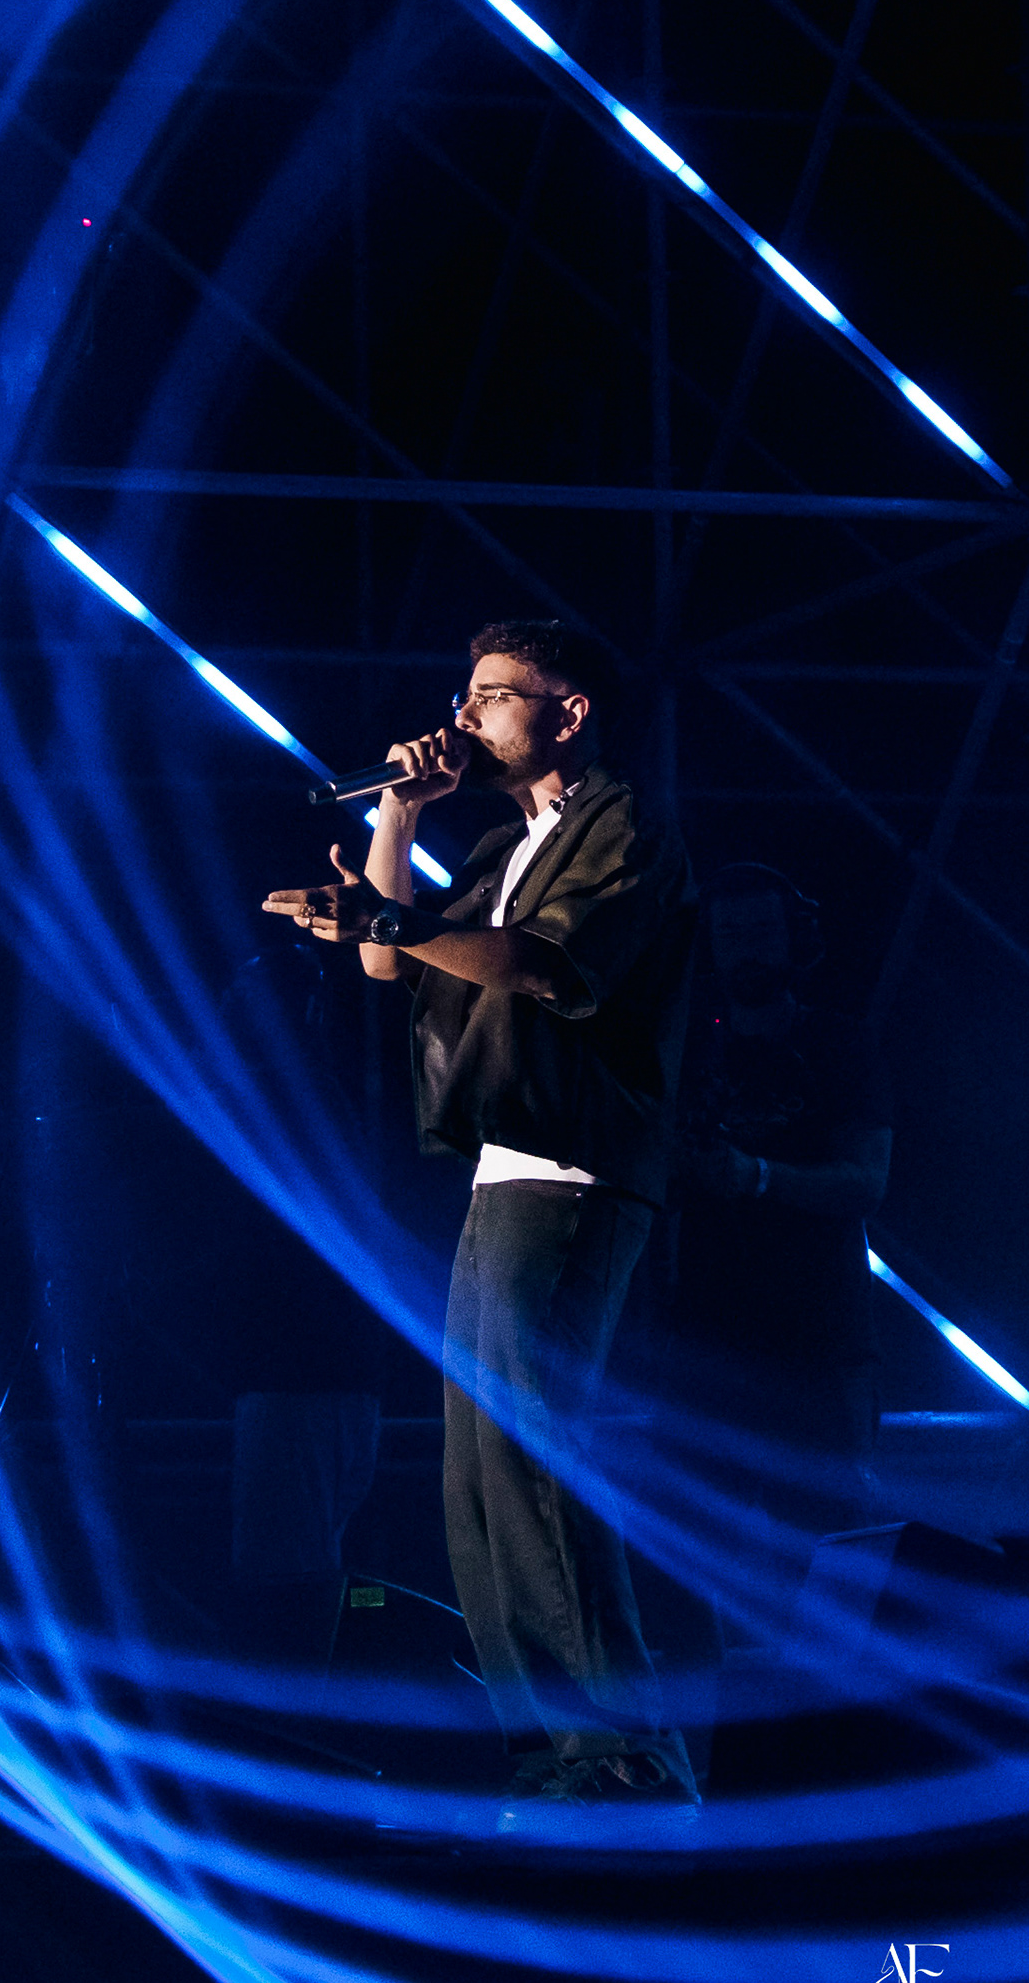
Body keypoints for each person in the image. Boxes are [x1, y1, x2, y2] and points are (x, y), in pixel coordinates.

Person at [261, 621, 701, 1815]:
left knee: (531, 1460)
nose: (465, 715)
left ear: (568, 713)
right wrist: (397, 820)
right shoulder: (507, 844)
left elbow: (547, 968)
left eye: (495, 695)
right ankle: (552, 1751)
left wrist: (386, 923)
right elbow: (390, 964)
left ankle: (619, 1754)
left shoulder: (621, 826)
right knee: (474, 1476)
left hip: (574, 1168)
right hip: (502, 1172)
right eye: (465, 693)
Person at [659, 864, 895, 1640]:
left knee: (827, 1550)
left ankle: (828, 1702)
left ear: (796, 938)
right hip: (708, 1340)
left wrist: (757, 1176)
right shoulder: (686, 1050)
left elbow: (865, 1183)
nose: (747, 949)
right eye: (730, 935)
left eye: (762, 930)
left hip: (818, 1339)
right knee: (696, 1554)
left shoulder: (839, 1045)